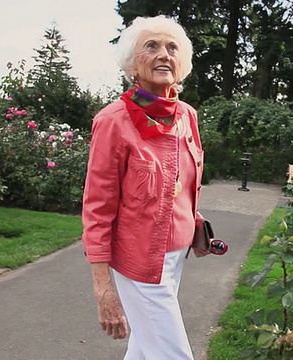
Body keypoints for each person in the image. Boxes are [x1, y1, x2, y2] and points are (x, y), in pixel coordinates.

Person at [81, 15, 208, 360]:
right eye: (150, 46)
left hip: (176, 255)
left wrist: (195, 226)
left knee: (144, 347)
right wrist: (102, 287)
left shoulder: (187, 115)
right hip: (139, 260)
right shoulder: (113, 121)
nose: (163, 54)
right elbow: (97, 206)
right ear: (131, 64)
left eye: (172, 47)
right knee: (172, 353)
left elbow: (184, 183)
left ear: (182, 62)